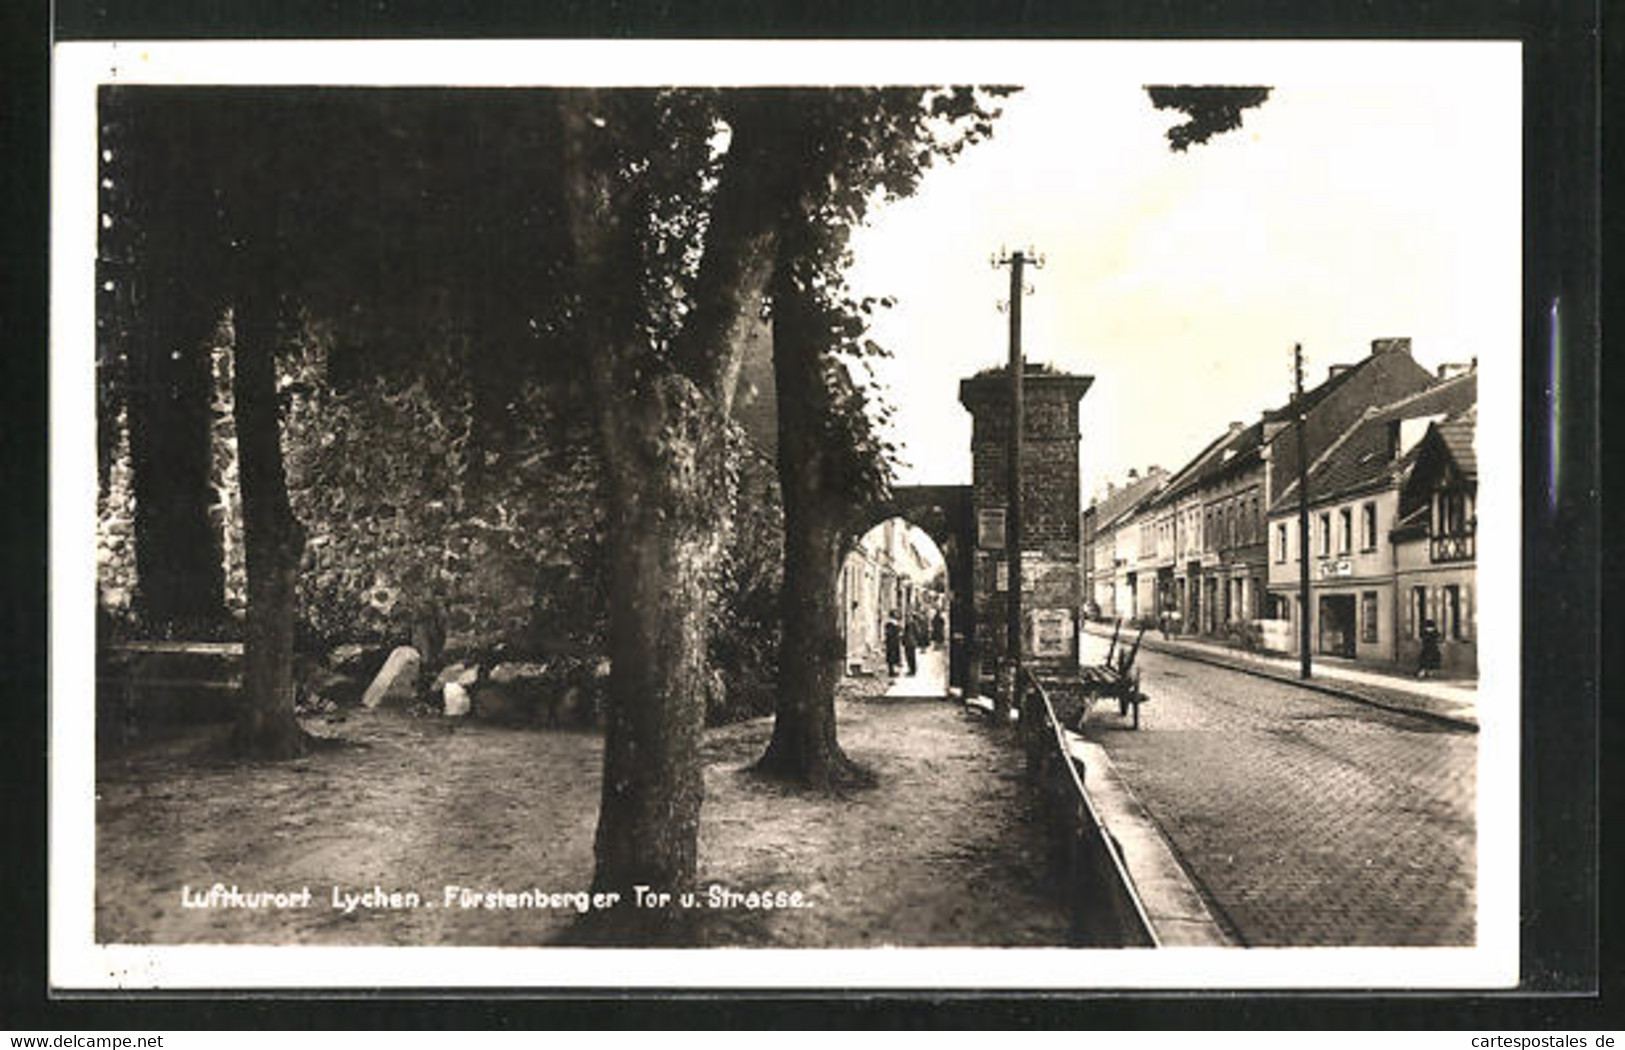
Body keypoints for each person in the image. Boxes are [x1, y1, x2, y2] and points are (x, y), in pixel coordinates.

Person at [883, 612, 902, 677]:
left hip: (891, 642)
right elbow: (893, 632)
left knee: (891, 657)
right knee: (892, 657)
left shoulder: (889, 624)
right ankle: (892, 672)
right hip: (893, 642)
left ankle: (892, 671)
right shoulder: (893, 624)